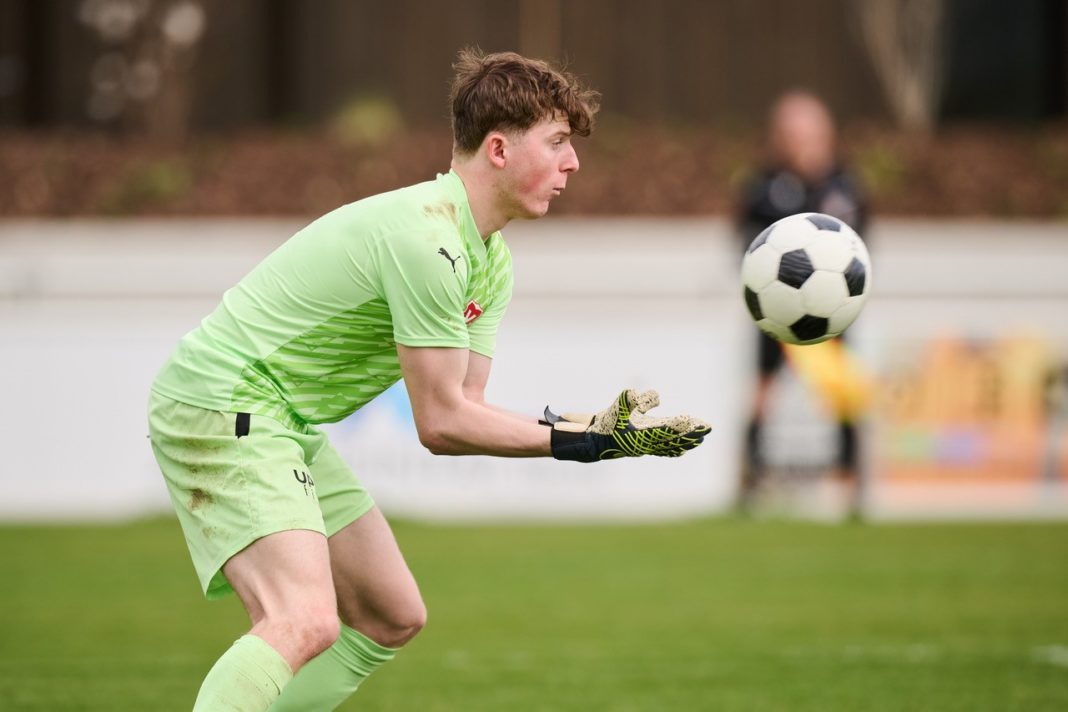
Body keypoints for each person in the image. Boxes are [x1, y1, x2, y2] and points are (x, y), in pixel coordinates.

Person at [148, 48, 709, 712]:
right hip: (224, 399)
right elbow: (439, 424)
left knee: (390, 614)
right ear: (498, 149)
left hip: (277, 416)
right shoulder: (427, 240)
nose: (573, 163)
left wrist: (593, 428)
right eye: (557, 142)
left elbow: (466, 406)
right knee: (302, 620)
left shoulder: (489, 260)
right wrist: (589, 443)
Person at [736, 90, 869, 513]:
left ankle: (849, 479)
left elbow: (859, 243)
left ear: (825, 134)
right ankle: (751, 478)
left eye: (806, 132)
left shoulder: (844, 185)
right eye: (790, 133)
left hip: (831, 310)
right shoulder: (764, 186)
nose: (799, 141)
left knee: (842, 389)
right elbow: (747, 241)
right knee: (763, 387)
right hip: (776, 308)